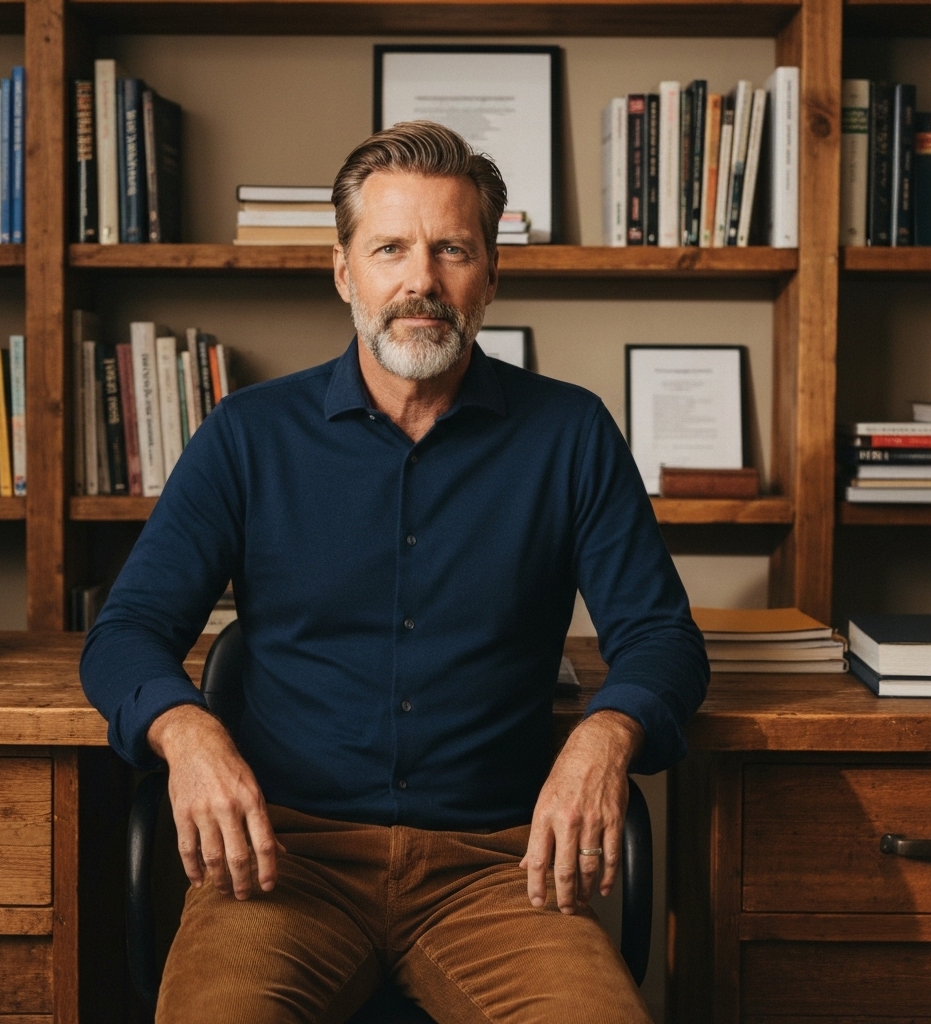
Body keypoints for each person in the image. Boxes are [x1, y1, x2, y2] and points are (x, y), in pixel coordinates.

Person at [81, 120, 708, 1023]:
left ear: (491, 273)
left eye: (452, 249)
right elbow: (126, 632)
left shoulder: (571, 435)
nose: (422, 281)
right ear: (344, 271)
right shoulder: (248, 437)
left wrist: (604, 738)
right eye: (390, 249)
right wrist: (188, 733)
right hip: (281, 864)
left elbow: (662, 639)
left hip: (499, 872)